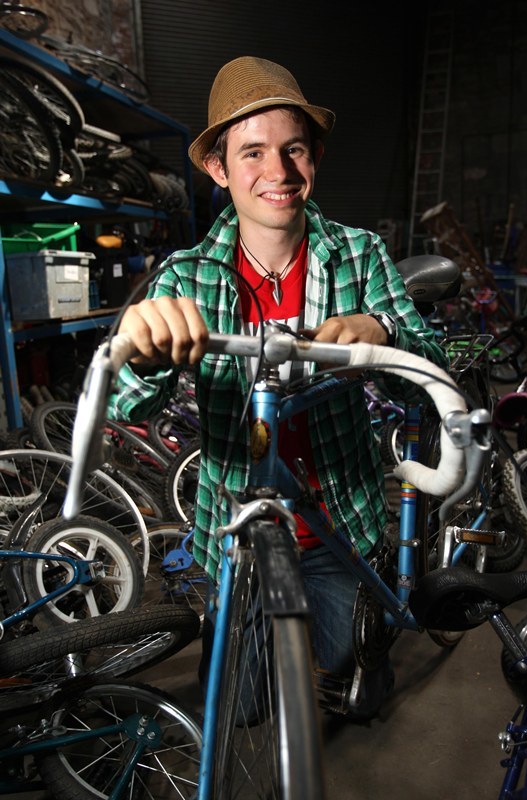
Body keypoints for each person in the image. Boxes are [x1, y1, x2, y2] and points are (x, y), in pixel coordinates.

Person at [108, 56, 448, 719]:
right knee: (237, 712)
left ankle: (356, 669)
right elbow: (127, 398)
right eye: (253, 152)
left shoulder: (358, 255)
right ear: (218, 169)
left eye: (293, 149)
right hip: (233, 537)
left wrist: (381, 333)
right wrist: (141, 342)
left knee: (355, 682)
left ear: (313, 156)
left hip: (338, 529)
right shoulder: (186, 274)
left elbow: (428, 375)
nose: (277, 173)